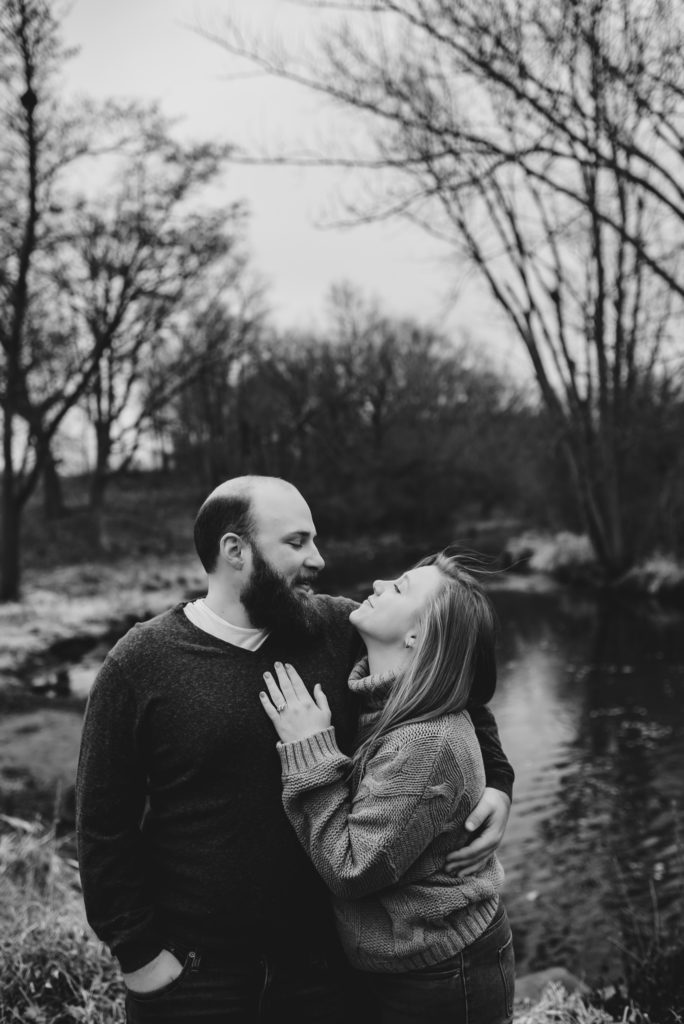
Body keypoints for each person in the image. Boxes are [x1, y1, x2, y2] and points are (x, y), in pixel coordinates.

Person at [76, 476, 513, 1023]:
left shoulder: (337, 625)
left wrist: (497, 781)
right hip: (193, 975)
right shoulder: (139, 663)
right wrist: (139, 955)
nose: (319, 559)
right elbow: (101, 825)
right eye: (297, 542)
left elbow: (448, 677)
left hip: (322, 972)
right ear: (235, 550)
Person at [260, 552, 514, 1024]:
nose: (377, 582)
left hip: (440, 972)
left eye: (399, 587)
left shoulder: (425, 741)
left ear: (418, 636)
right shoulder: (383, 695)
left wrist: (309, 750)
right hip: (404, 963)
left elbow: (353, 868)